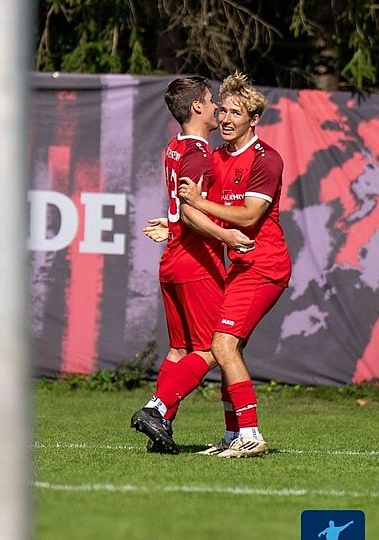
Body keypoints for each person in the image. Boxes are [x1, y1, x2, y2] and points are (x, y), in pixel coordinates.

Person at [129, 76, 255, 454]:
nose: (218, 106)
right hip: (195, 262)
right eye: (211, 99)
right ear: (198, 107)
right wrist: (227, 236)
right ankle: (157, 408)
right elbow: (190, 210)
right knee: (214, 349)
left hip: (173, 260)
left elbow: (179, 211)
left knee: (180, 351)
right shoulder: (200, 154)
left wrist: (171, 224)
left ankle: (162, 425)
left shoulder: (175, 147)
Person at [176, 72, 293, 458]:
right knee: (227, 347)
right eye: (222, 110)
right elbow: (196, 212)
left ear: (253, 119)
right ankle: (232, 435)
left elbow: (246, 217)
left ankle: (251, 434)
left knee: (223, 345)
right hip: (240, 267)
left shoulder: (266, 160)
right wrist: (175, 219)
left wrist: (199, 203)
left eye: (235, 113)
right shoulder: (216, 158)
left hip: (266, 266)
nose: (225, 119)